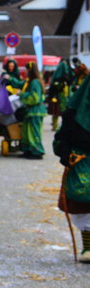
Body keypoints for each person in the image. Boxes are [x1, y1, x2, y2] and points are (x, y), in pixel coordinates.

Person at [53, 77, 90, 263]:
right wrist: (66, 152)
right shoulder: (75, 112)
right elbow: (63, 136)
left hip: (82, 162)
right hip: (82, 164)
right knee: (83, 205)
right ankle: (89, 248)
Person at [19, 61, 47, 159]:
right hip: (31, 111)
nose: (25, 72)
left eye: (26, 70)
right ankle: (28, 150)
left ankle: (37, 151)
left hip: (35, 111)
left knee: (34, 132)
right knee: (27, 131)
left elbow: (35, 98)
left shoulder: (35, 82)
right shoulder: (34, 81)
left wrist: (22, 95)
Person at [46, 57, 72, 131]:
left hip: (61, 96)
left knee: (58, 112)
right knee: (57, 111)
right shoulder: (61, 76)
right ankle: (55, 125)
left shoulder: (62, 75)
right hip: (58, 96)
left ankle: (57, 125)